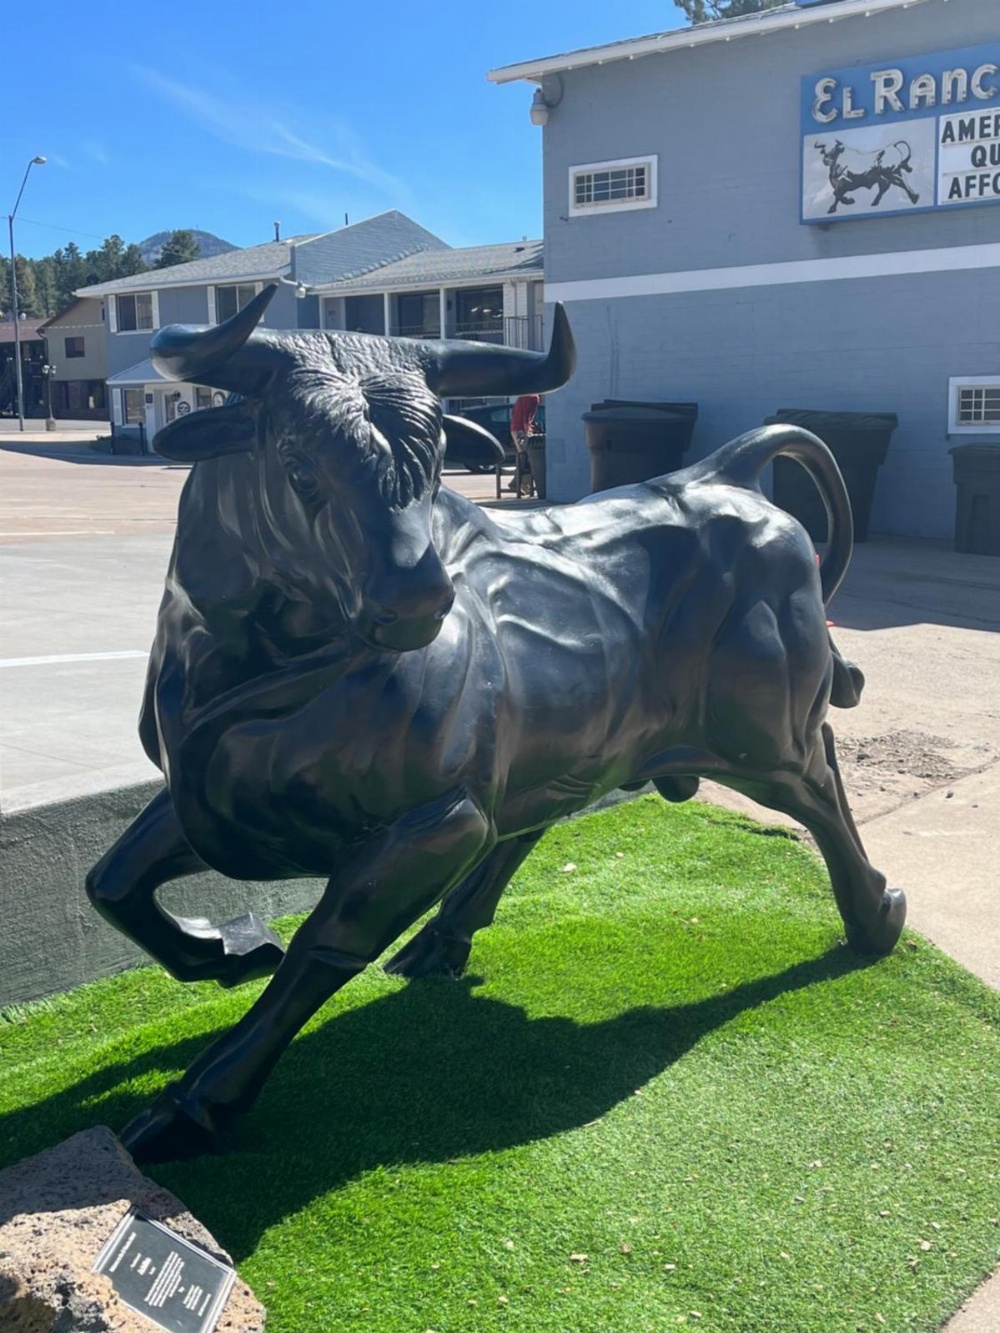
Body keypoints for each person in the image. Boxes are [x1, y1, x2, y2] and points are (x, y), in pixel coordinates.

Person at [507, 393, 541, 496]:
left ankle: (519, 484)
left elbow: (513, 412)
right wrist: (528, 431)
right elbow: (528, 416)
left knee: (523, 457)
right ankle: (519, 484)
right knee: (527, 458)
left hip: (515, 428)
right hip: (522, 430)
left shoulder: (522, 395)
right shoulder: (534, 398)